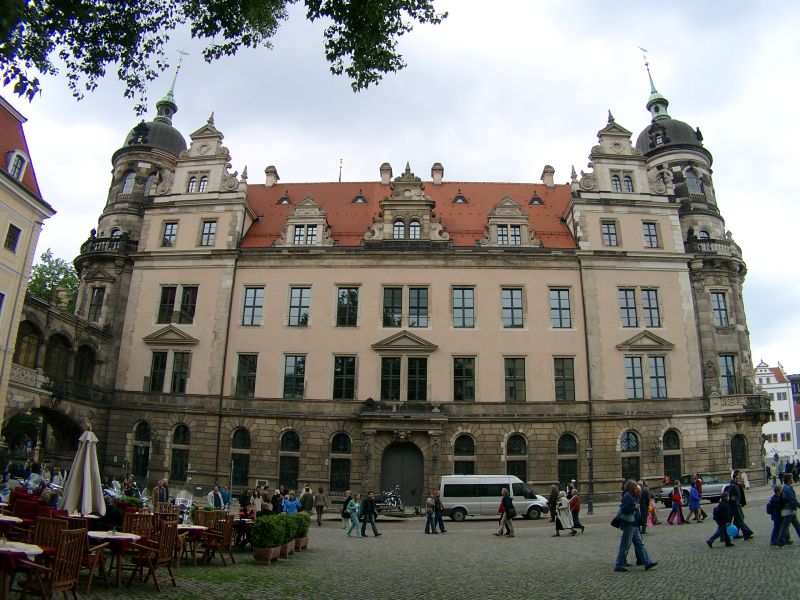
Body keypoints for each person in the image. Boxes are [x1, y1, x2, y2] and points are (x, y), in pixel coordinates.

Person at [614, 480, 657, 572]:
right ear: (630, 487)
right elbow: (625, 509)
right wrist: (634, 508)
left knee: (640, 544)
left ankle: (647, 562)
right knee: (624, 545)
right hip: (629, 524)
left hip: (634, 524)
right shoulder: (627, 496)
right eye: (634, 487)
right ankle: (618, 564)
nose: (636, 488)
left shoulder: (632, 495)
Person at [727, 470, 753, 540]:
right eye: (737, 478)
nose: (738, 480)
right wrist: (733, 500)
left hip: (737, 505)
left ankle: (737, 534)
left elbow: (741, 495)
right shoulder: (732, 485)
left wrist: (741, 502)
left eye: (739, 478)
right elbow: (728, 495)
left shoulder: (737, 485)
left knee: (738, 520)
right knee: (736, 520)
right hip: (733, 506)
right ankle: (747, 533)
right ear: (733, 478)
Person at [776, 473, 800, 548]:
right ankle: (779, 542)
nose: (793, 480)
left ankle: (782, 541)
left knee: (797, 526)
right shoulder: (788, 488)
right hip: (788, 510)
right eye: (792, 478)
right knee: (784, 527)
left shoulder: (786, 487)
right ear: (789, 480)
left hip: (789, 510)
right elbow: (793, 500)